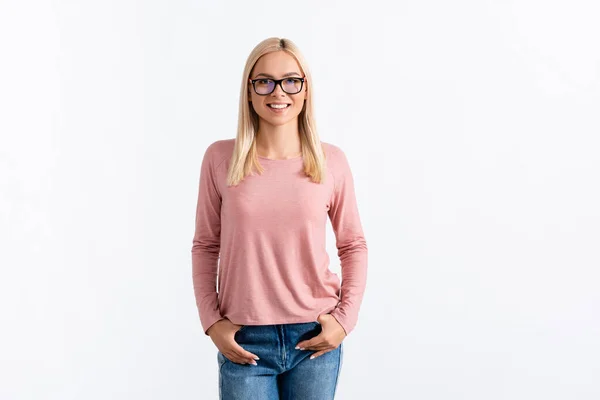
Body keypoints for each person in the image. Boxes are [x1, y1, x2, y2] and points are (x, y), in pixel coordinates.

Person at [191, 37, 368, 400]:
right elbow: (206, 245)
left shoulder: (330, 160)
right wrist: (211, 322)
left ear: (305, 90)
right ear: (250, 91)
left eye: (291, 80)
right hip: (245, 340)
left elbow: (353, 245)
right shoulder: (220, 158)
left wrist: (344, 321)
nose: (278, 92)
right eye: (264, 81)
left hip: (313, 338)